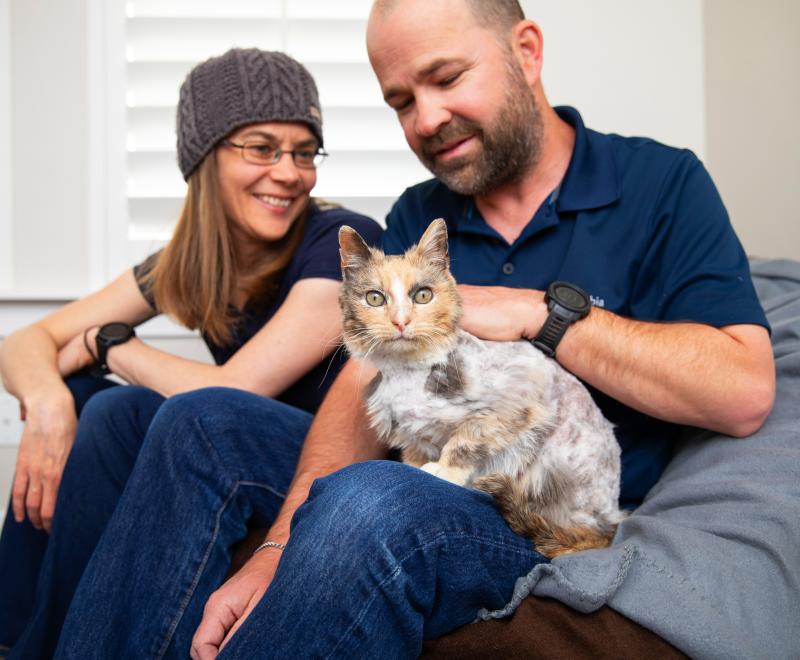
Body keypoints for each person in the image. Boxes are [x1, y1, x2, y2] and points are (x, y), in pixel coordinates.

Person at [51, 1, 777, 658]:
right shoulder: (418, 212)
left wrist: (540, 314)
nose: (425, 119)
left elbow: (742, 390)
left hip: (536, 500)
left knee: (374, 497)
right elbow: (364, 384)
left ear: (526, 51)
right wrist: (279, 543)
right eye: (401, 101)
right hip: (434, 457)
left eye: (446, 78)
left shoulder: (661, 184)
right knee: (197, 419)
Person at [0, 47, 381, 658]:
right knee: (86, 400)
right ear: (205, 158)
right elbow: (23, 343)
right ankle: (17, 640)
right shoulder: (194, 262)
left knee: (130, 407)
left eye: (304, 152)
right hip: (242, 441)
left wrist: (111, 345)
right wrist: (47, 403)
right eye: (262, 148)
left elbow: (238, 389)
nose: (289, 172)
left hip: (332, 458)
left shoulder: (341, 245)